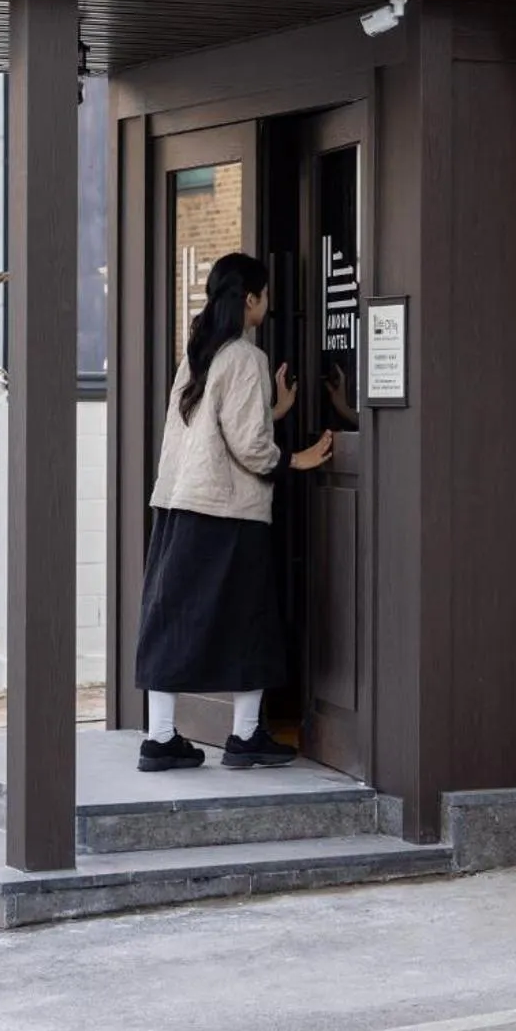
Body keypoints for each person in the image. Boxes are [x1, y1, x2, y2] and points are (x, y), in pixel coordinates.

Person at [136, 252, 334, 773]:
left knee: (170, 619)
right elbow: (249, 446)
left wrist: (274, 412)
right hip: (229, 514)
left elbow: (210, 428)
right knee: (252, 621)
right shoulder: (246, 357)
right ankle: (246, 736)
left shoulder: (201, 350)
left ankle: (160, 739)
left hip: (180, 504)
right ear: (250, 299)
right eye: (264, 296)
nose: (266, 306)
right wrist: (295, 457)